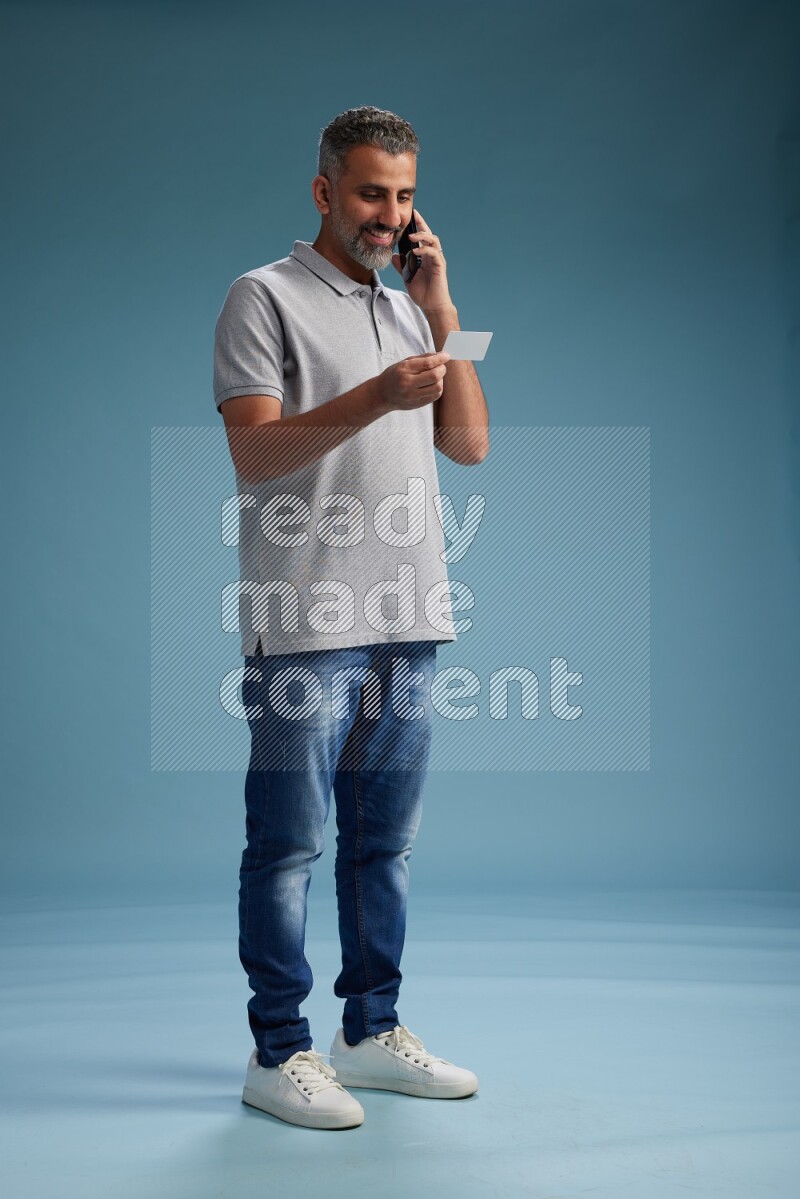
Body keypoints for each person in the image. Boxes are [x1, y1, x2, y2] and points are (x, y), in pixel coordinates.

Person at [213, 105, 489, 1130]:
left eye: (405, 195)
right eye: (371, 192)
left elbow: (466, 445)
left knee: (386, 842)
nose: (390, 213)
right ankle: (276, 1049)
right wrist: (376, 393)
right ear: (325, 192)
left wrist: (443, 312)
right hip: (305, 613)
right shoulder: (262, 297)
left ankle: (368, 1031)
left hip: (409, 609)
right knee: (288, 844)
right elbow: (255, 454)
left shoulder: (414, 306)